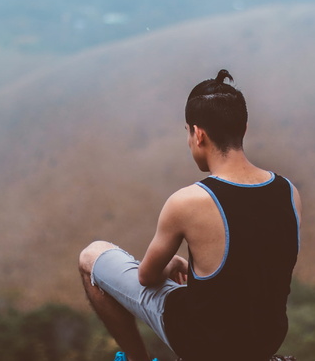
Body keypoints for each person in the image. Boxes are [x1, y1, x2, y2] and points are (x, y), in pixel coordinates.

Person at [78, 69, 302, 361]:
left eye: (188, 134)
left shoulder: (188, 201)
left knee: (91, 256)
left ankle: (137, 359)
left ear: (198, 134)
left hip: (204, 344)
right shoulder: (288, 192)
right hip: (264, 341)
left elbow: (146, 277)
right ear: (243, 128)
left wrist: (170, 263)